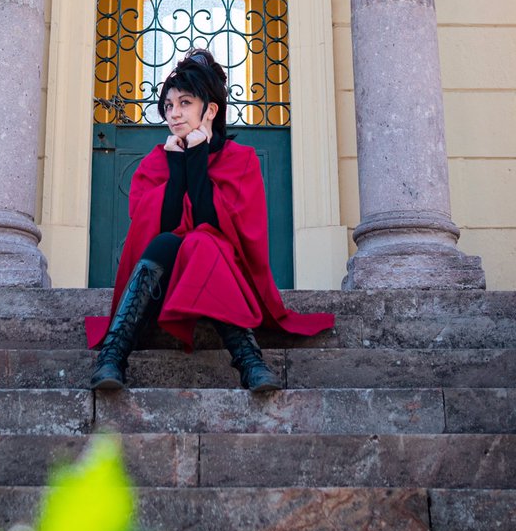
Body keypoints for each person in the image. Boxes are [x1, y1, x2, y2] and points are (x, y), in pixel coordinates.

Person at [85, 48, 335, 392]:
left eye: (185, 103)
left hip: (223, 279)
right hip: (161, 289)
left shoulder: (241, 160)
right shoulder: (156, 163)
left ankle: (250, 361)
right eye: (168, 105)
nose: (174, 113)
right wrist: (178, 169)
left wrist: (197, 159)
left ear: (211, 110)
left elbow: (222, 229)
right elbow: (159, 229)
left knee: (202, 241)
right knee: (168, 241)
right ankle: (112, 356)